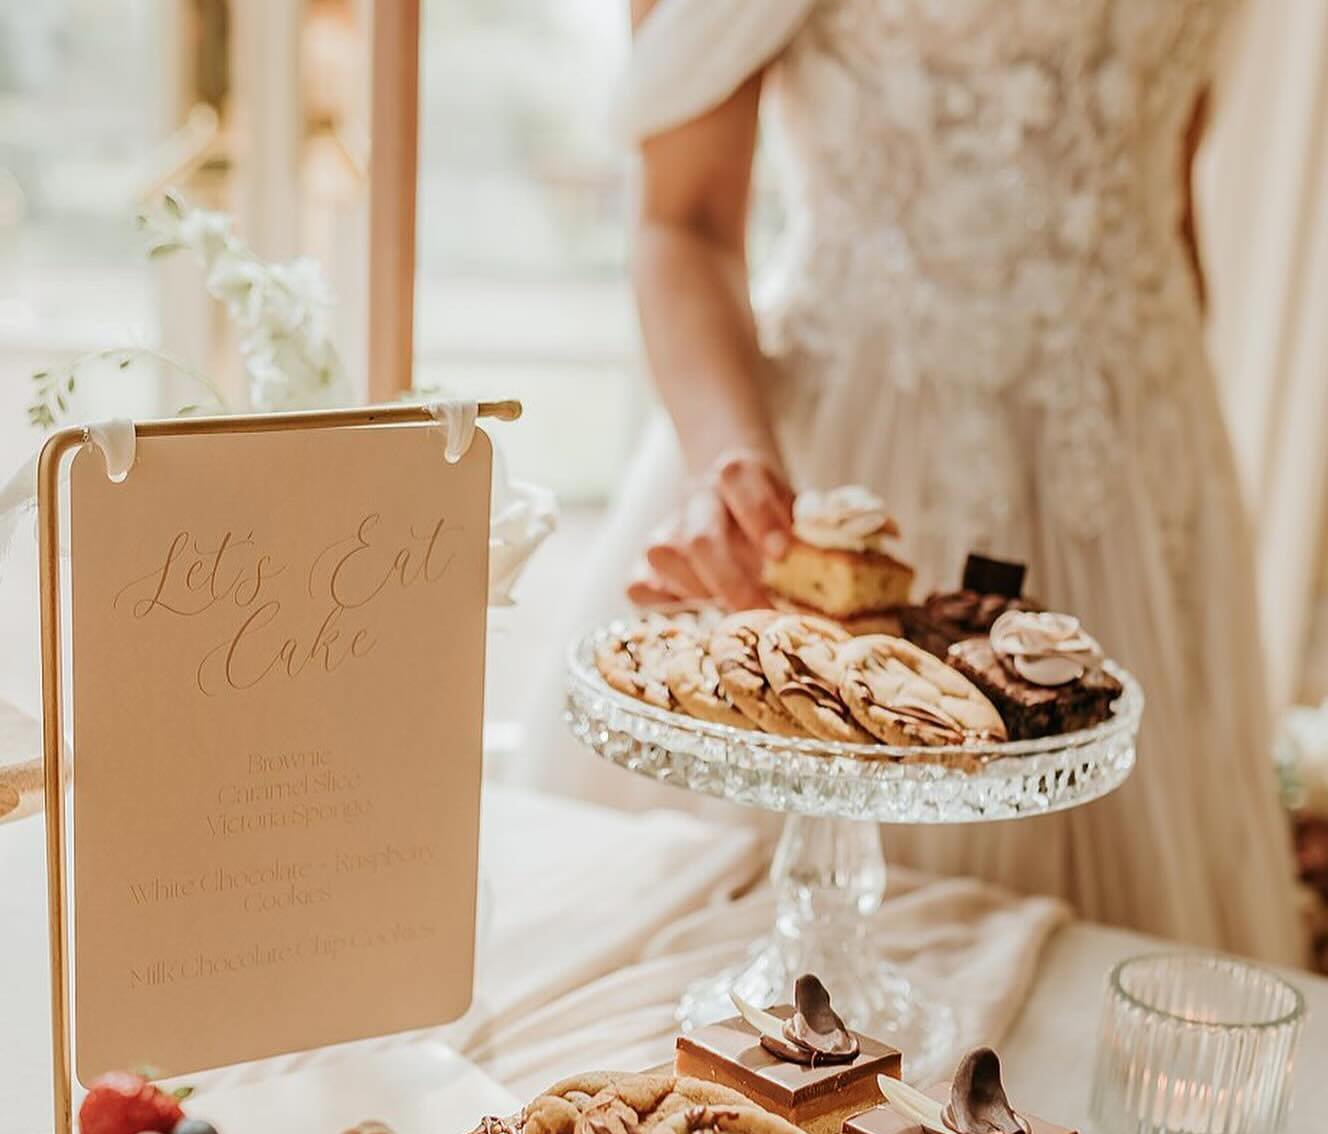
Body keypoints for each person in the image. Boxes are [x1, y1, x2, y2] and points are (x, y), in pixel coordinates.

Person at [525, 0, 1303, 965]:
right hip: (864, 457)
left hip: (1144, 476)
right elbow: (684, 216)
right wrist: (731, 465)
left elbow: (1168, 192)